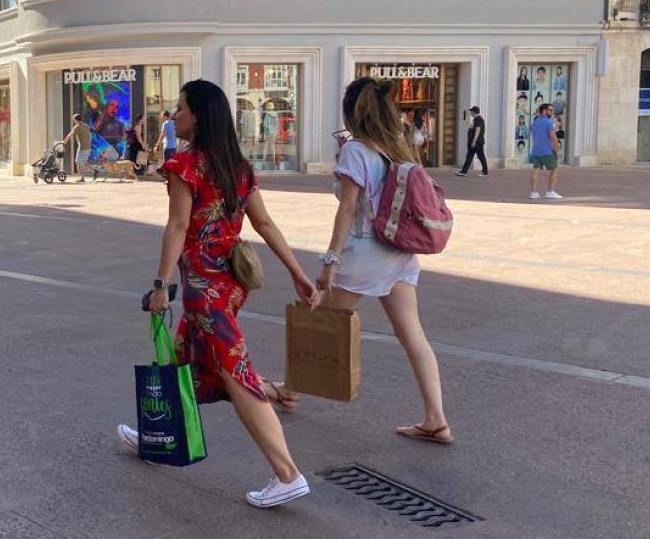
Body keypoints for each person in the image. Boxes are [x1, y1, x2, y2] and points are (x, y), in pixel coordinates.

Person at [117, 79, 319, 509]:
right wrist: (298, 273)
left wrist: (159, 285)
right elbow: (264, 225)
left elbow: (177, 226)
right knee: (181, 358)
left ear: (200, 116)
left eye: (181, 109)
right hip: (228, 286)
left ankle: (287, 473)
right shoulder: (237, 167)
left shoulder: (185, 165)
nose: (174, 116)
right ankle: (158, 434)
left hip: (204, 290)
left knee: (235, 373)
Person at [317, 76, 453, 445]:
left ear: (351, 113)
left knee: (319, 321)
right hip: (400, 251)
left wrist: (331, 259)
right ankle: (436, 418)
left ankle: (290, 389)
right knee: (413, 334)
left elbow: (347, 210)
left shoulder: (357, 151)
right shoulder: (397, 147)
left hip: (366, 250)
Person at [529, 103, 561, 200]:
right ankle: (550, 191)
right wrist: (555, 150)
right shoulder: (548, 122)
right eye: (550, 110)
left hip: (535, 151)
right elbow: (553, 138)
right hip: (546, 150)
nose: (552, 112)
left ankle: (534, 193)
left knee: (536, 170)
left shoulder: (534, 123)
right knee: (555, 170)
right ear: (544, 111)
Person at [456, 106, 488, 177]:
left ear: (474, 112)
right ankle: (464, 171)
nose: (470, 113)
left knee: (481, 156)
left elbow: (477, 130)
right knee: (469, 156)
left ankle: (485, 172)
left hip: (477, 142)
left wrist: (474, 141)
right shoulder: (475, 119)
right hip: (473, 142)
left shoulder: (478, 120)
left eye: (471, 111)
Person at [64, 113, 93, 183]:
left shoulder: (77, 126)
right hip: (88, 147)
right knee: (84, 162)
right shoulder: (86, 125)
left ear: (75, 120)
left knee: (78, 162)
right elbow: (90, 135)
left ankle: (82, 178)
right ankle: (94, 171)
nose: (73, 121)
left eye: (73, 119)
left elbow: (70, 135)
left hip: (82, 147)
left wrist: (64, 142)